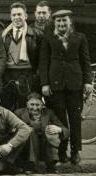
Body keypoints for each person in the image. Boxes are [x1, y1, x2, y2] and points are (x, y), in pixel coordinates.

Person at [39, 9, 92, 165]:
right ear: (54, 23)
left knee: (75, 119)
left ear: (70, 22)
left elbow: (85, 61)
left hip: (75, 84)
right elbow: (43, 63)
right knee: (59, 121)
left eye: (64, 21)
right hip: (55, 86)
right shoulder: (48, 39)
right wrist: (44, 83)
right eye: (58, 21)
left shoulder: (80, 38)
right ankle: (61, 152)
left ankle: (75, 152)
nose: (61, 24)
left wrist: (87, 81)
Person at [1, 2, 42, 111]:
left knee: (24, 107)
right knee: (8, 106)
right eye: (14, 15)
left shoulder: (36, 34)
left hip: (27, 75)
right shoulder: (5, 35)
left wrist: (36, 76)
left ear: (26, 16)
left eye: (19, 14)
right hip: (8, 75)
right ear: (10, 17)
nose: (17, 17)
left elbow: (41, 59)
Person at [15, 92, 69, 173]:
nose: (35, 108)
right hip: (27, 147)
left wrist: (58, 129)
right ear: (27, 104)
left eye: (38, 105)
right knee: (30, 131)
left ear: (42, 105)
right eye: (32, 104)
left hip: (44, 146)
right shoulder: (18, 113)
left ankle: (51, 165)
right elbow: (11, 129)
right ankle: (31, 166)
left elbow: (66, 130)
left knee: (49, 129)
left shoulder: (49, 113)